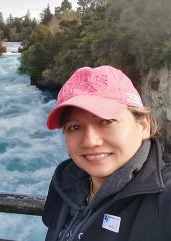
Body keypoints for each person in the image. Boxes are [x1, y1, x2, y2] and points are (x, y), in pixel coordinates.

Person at [42, 65, 171, 241]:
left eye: (107, 121)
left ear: (143, 125)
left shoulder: (164, 197)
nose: (90, 141)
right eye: (74, 127)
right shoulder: (65, 183)